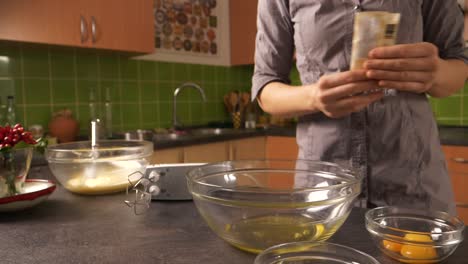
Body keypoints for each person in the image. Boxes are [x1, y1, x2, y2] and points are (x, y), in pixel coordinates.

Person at [252, 0, 468, 215]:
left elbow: (458, 64)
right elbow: (265, 88)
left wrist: (436, 73)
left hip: (414, 181)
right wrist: (314, 97)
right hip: (324, 186)